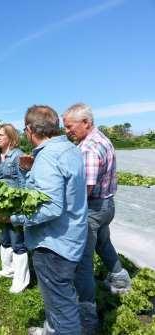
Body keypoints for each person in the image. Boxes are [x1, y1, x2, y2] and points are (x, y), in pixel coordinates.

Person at [4, 105, 88, 335]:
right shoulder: (69, 149)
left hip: (53, 245)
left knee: (63, 308)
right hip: (71, 238)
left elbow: (50, 207)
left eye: (25, 130)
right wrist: (30, 171)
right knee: (60, 299)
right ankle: (51, 330)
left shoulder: (49, 156)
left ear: (30, 129)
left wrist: (13, 218)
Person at [63, 103, 132, 333]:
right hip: (106, 205)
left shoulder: (89, 149)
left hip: (92, 209)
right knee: (103, 243)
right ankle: (120, 279)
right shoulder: (101, 138)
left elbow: (85, 190)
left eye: (70, 126)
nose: (67, 131)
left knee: (83, 264)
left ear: (86, 123)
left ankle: (86, 320)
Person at [0, 123, 29, 294]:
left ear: (11, 138)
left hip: (13, 207)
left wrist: (22, 205)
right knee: (4, 239)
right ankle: (8, 269)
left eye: (2, 135)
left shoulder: (17, 155)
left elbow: (23, 182)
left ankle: (21, 280)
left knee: (17, 242)